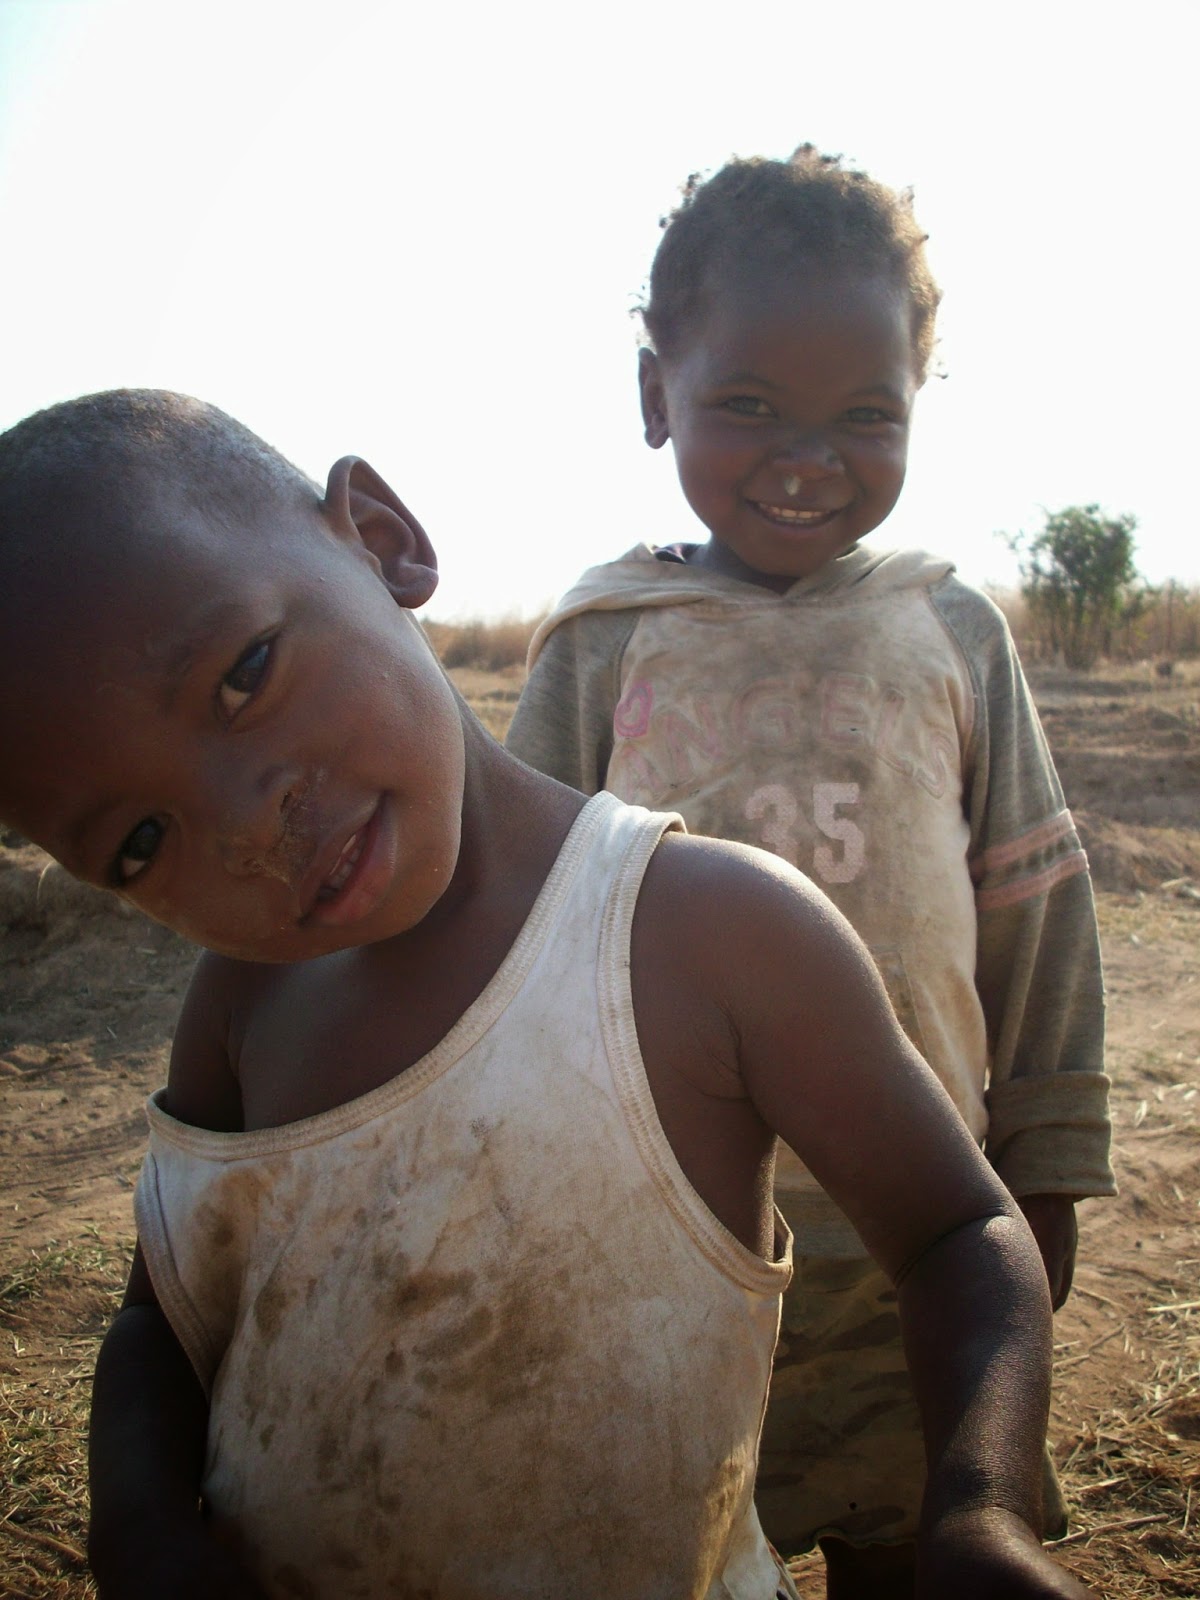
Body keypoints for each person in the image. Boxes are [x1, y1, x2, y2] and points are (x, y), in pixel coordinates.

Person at [0, 390, 1094, 1600]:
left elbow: (957, 1233)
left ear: (381, 539)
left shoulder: (712, 933)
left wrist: (980, 1512)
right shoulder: (241, 1010)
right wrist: (139, 1527)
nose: (245, 825)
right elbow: (162, 1318)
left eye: (245, 674)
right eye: (141, 841)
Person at [506, 147, 1115, 1596]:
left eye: (865, 415)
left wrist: (1045, 1172)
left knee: (918, 1540)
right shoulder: (604, 641)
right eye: (748, 404)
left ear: (916, 406)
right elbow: (520, 937)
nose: (807, 456)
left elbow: (1036, 909)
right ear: (655, 395)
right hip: (670, 1239)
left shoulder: (950, 632)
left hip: (921, 1227)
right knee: (689, 1550)